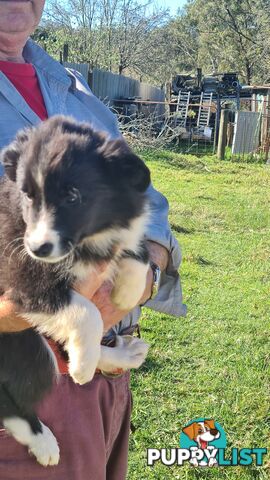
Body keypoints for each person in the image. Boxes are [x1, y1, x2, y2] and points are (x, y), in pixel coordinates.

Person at [0, 1, 186, 479]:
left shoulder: (75, 91)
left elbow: (146, 197)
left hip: (107, 379)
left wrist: (148, 267)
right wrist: (23, 313)